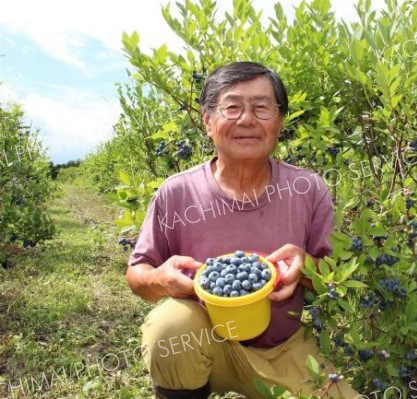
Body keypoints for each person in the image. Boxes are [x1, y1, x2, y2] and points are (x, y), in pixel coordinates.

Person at [126, 61, 359, 399]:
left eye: (262, 107)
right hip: (207, 341)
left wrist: (305, 266)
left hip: (285, 349)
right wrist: (160, 279)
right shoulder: (177, 193)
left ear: (279, 122)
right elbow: (137, 274)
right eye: (232, 107)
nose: (247, 119)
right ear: (208, 121)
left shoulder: (308, 189)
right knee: (170, 327)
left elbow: (335, 280)